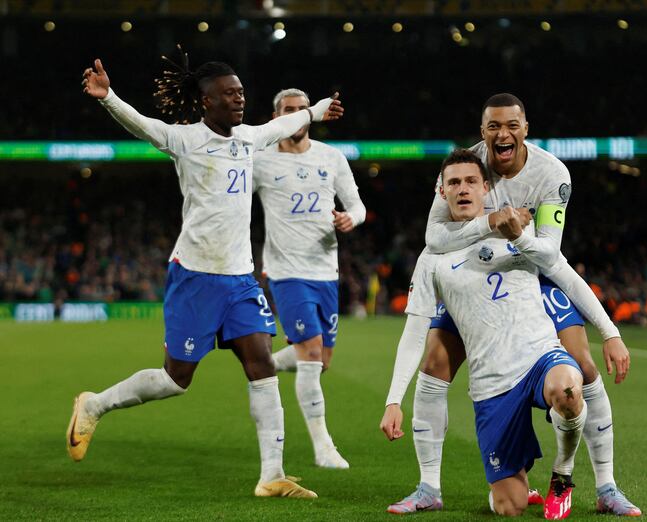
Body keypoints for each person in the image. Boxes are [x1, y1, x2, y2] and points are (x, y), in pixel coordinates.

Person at [67, 52, 342, 499]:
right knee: (176, 379)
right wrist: (108, 97)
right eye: (230, 94)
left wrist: (317, 111)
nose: (239, 100)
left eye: (241, 93)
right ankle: (95, 403)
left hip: (240, 280)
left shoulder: (249, 139)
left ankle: (272, 475)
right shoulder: (183, 140)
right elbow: (141, 124)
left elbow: (283, 126)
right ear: (206, 101)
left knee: (262, 365)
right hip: (195, 276)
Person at [382, 94, 640, 517]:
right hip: (463, 269)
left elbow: (550, 254)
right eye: (493, 127)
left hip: (528, 265)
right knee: (434, 362)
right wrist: (488, 224)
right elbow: (434, 235)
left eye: (511, 126)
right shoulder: (466, 167)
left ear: (525, 128)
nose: (502, 134)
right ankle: (429, 486)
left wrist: (609, 331)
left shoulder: (551, 174)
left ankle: (605, 485)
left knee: (581, 366)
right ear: (483, 132)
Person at [385, 150, 587, 518]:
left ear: (487, 188)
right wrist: (393, 400)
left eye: (471, 181)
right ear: (442, 192)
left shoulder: (518, 232)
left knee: (571, 387)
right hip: (492, 384)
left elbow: (563, 271)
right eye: (454, 183)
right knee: (509, 507)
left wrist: (612, 331)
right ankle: (503, 483)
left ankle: (566, 475)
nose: (463, 189)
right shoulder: (432, 258)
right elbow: (414, 332)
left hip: (539, 359)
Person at [252, 88, 366, 469]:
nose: (298, 115)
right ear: (275, 116)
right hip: (285, 273)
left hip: (325, 272)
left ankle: (263, 361)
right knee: (312, 352)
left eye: (303, 109)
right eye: (289, 110)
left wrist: (352, 218)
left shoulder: (331, 158)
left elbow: (356, 204)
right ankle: (323, 447)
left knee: (320, 360)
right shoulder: (261, 160)